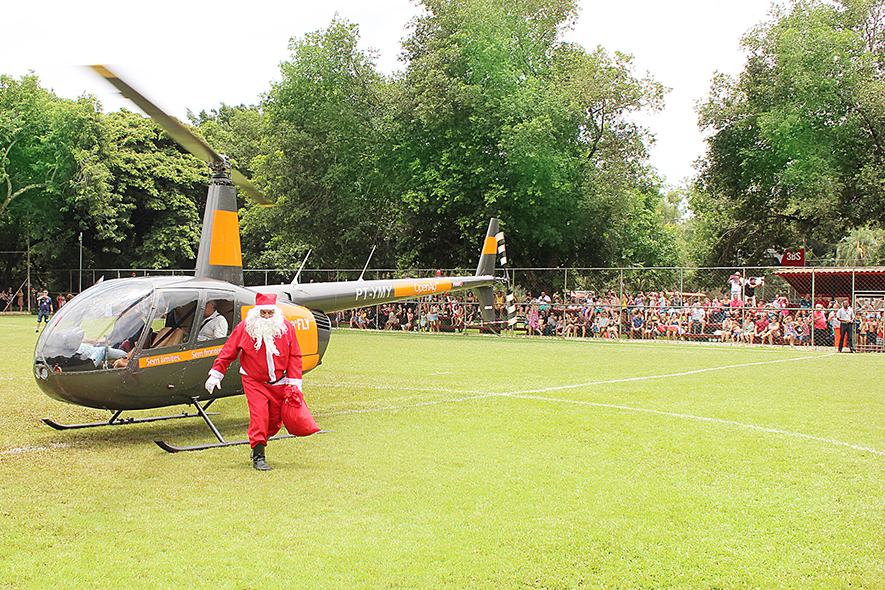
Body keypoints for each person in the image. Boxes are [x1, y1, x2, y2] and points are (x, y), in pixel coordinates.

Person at [205, 293, 303, 471]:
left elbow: (295, 355)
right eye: (263, 313)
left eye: (270, 314)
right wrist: (217, 372)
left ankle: (258, 443)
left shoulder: (286, 328)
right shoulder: (245, 328)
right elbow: (229, 350)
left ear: (275, 313)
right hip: (254, 380)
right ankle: (259, 455)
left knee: (274, 420)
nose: (266, 317)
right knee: (259, 416)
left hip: (279, 381)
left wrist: (294, 382)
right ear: (257, 313)